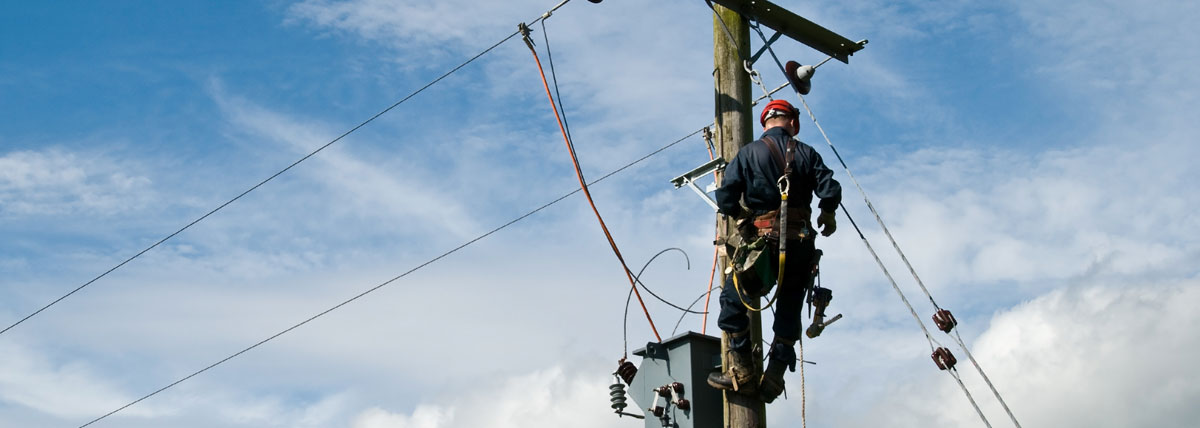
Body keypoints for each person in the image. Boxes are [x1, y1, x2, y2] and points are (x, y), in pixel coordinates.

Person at [707, 99, 841, 402]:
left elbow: (726, 197)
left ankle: (741, 370)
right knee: (789, 308)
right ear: (793, 123)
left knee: (733, 301)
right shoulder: (807, 153)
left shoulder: (748, 153)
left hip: (763, 245)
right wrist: (828, 213)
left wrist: (742, 219)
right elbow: (829, 189)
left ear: (765, 124)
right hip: (800, 244)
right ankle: (775, 376)